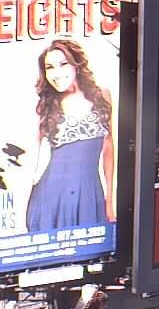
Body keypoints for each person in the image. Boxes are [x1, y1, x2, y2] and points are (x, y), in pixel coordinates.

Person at [26, 39, 115, 231]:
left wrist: (110, 199)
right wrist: (20, 213)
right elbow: (30, 161)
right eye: (49, 67)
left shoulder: (102, 95)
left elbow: (108, 149)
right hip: (50, 200)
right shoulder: (45, 105)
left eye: (63, 64)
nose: (56, 73)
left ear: (76, 64)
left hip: (90, 195)